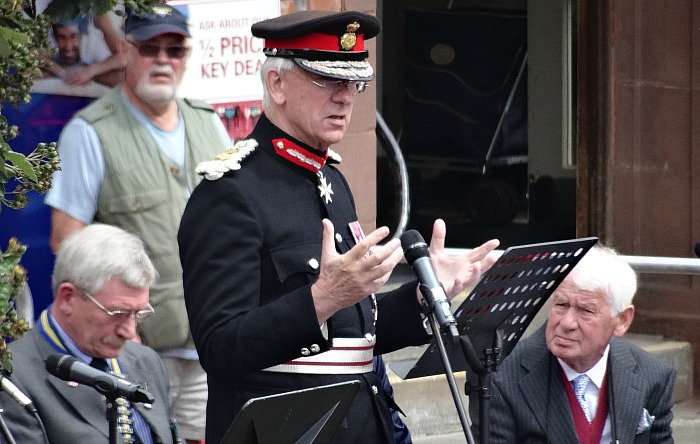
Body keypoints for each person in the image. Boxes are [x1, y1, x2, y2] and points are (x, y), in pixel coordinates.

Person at [178, 10, 500, 444]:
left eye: (353, 83)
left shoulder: (331, 179)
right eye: (326, 81)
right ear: (277, 85)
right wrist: (321, 297)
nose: (345, 97)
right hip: (282, 431)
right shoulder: (231, 193)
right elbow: (219, 348)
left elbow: (354, 334)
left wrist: (424, 296)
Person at [44, 4, 231, 443]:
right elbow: (66, 244)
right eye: (150, 48)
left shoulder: (211, 124)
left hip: (211, 341)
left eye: (174, 48)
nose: (163, 60)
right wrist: (120, 333)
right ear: (126, 51)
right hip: (136, 349)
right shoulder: (90, 131)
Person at [480, 244, 675, 443]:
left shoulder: (653, 376)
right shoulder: (502, 376)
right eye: (561, 304)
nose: (567, 323)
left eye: (586, 311)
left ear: (622, 320)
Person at [1, 223, 177, 443]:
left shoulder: (146, 360)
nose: (130, 331)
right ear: (67, 298)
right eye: (118, 313)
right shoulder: (12, 380)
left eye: (139, 313)